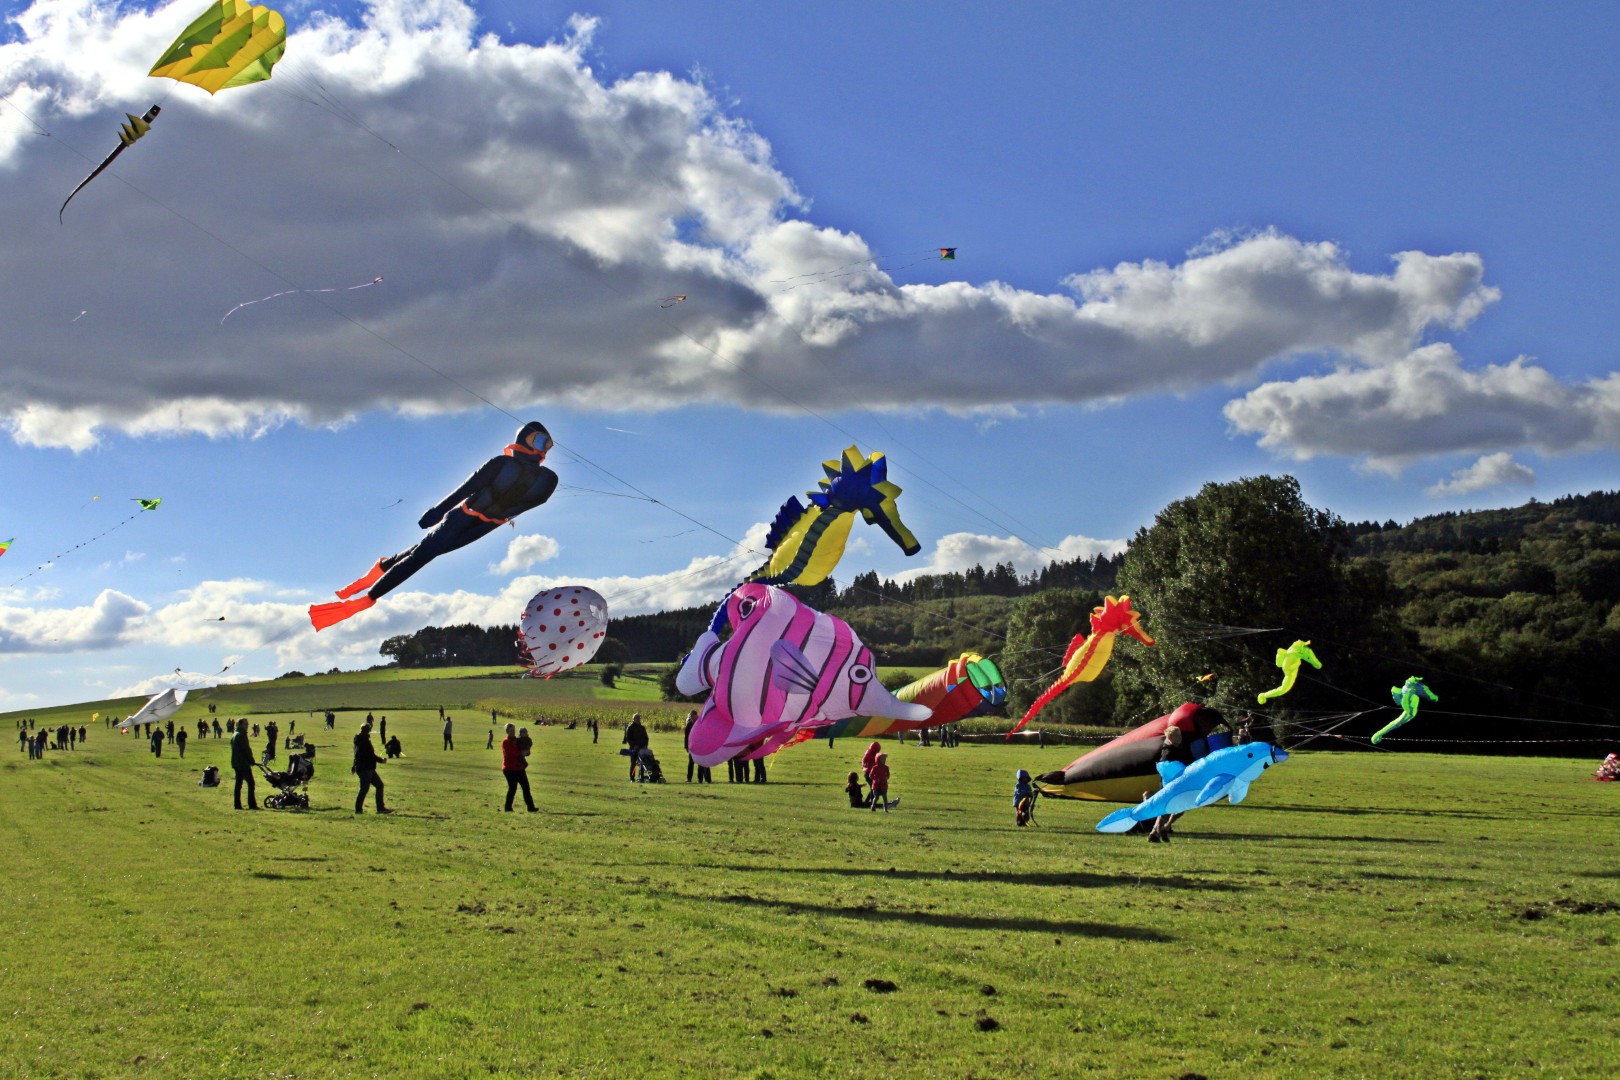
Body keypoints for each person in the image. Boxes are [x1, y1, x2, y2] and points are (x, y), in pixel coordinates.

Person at [311, 424, 559, 629]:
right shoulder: (501, 464)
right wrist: (439, 511)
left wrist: (503, 513)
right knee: (422, 556)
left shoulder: (548, 479)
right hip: (462, 517)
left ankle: (381, 569)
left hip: (483, 528)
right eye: (539, 441)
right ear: (523, 439)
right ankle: (365, 599)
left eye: (547, 444)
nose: (543, 448)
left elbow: (527, 505)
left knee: (426, 550)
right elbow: (469, 487)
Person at [1148, 726, 1192, 843]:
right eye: (1176, 736)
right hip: (1168, 785)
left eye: (1180, 735)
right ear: (1170, 737)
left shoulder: (1181, 748)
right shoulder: (1168, 751)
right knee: (1166, 809)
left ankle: (1164, 828)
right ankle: (1155, 833)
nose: (1179, 738)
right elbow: (1165, 768)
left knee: (1180, 809)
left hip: (1179, 783)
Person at [352, 720, 390, 814]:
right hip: (366, 768)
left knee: (379, 785)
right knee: (364, 789)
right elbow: (370, 755)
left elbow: (356, 755)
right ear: (368, 730)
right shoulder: (364, 741)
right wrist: (381, 760)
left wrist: (354, 766)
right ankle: (359, 809)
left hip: (365, 768)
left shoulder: (358, 739)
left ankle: (380, 808)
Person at [500, 723, 538, 812]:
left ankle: (531, 807)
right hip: (509, 769)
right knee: (512, 788)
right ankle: (508, 807)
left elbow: (525, 749)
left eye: (513, 730)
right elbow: (510, 754)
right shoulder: (506, 742)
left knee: (526, 788)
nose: (513, 732)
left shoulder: (518, 740)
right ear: (507, 731)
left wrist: (527, 751)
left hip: (519, 768)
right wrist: (521, 753)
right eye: (511, 730)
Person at [231, 720, 257, 810]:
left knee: (238, 784)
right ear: (240, 725)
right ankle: (252, 804)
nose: (247, 725)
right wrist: (251, 760)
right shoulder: (241, 734)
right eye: (245, 724)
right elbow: (246, 749)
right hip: (243, 763)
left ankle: (237, 805)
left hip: (236, 763)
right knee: (251, 783)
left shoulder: (235, 734)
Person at [622, 713, 648, 781]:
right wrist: (634, 745)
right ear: (633, 719)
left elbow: (646, 738)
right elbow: (628, 738)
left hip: (642, 748)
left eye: (639, 718)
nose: (638, 719)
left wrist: (645, 745)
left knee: (642, 763)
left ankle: (641, 777)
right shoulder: (630, 728)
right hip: (634, 749)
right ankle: (632, 778)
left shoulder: (642, 728)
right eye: (637, 718)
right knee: (633, 763)